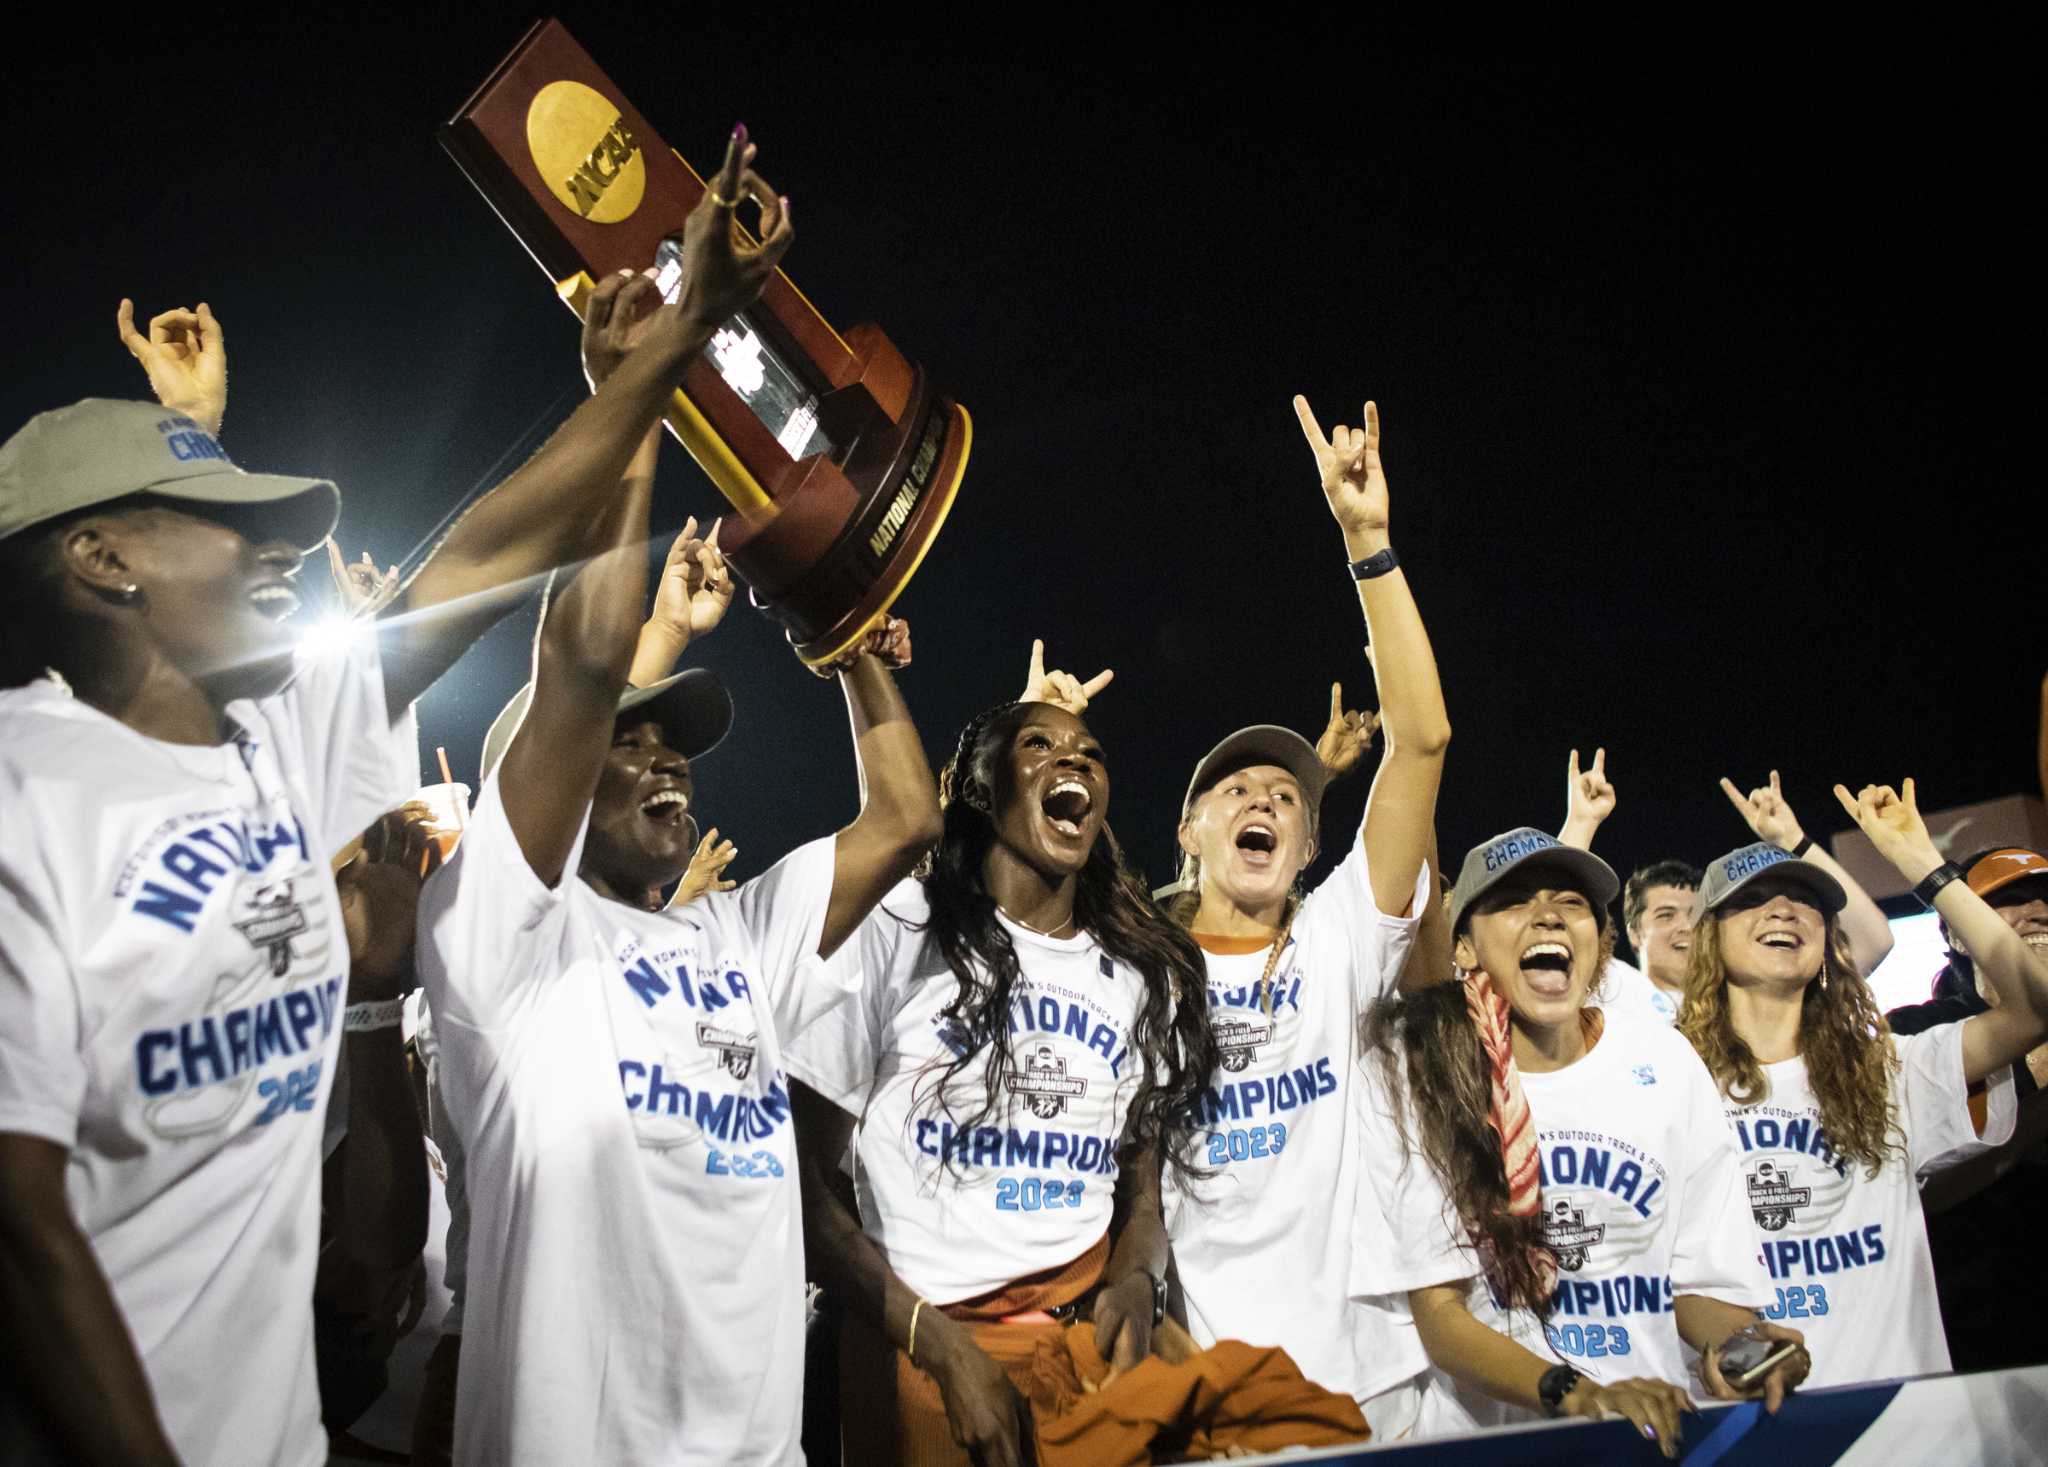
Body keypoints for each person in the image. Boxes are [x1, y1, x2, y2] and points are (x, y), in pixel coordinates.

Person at [0, 124, 791, 1467]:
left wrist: (681, 334)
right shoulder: (25, 791)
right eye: (225, 514)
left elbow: (489, 549)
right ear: (101, 557)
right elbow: (19, 1215)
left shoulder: (280, 737)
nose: (282, 540)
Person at [416, 270, 939, 1467]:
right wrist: (639, 398)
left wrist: (844, 634)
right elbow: (585, 665)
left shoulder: (735, 938)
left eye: (679, 752)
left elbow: (904, 815)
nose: (669, 770)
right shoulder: (509, 939)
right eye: (628, 749)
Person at [787, 693, 1221, 1467]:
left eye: (1089, 750)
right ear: (982, 790)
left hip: (1086, 1357)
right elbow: (805, 1189)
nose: (1075, 758)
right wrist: (942, 1350)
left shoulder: (1137, 971)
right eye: (1039, 744)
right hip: (924, 1356)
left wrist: (1135, 1280)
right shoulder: (898, 926)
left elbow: (1142, 1191)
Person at [1158, 395, 1445, 1435]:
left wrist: (1366, 544)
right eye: (1232, 790)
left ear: (1311, 846)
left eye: (1283, 794)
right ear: (1186, 835)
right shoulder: (1135, 971)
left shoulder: (1335, 940)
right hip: (1218, 1390)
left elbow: (1420, 744)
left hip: (1372, 1386)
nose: (1263, 801)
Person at [1352, 829, 1806, 1456]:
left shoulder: (1661, 1057)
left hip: (1653, 1432)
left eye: (1571, 903)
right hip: (1496, 1445)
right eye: (1513, 901)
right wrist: (1583, 1395)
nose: (1547, 915)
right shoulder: (1421, 1071)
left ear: (1598, 937)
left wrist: (1742, 1347)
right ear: (1464, 945)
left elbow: (1699, 1283)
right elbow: (1441, 1317)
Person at [1679, 781, 2048, 1389]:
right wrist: (1739, 1344)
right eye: (1755, 899)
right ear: (1710, 938)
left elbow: (2035, 1008)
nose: (1783, 909)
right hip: (1746, 1418)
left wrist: (1921, 865)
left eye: (1805, 901)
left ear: (1829, 942)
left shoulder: (1890, 1069)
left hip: (1905, 1428)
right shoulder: (1671, 1079)